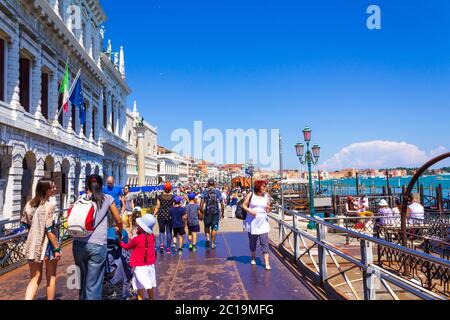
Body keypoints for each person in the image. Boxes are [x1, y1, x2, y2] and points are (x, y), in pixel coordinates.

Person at [72, 175, 123, 300]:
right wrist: (120, 233)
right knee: (93, 285)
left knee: (82, 282)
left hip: (78, 244)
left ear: (87, 186)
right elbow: (118, 220)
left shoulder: (81, 199)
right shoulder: (107, 198)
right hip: (97, 245)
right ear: (101, 186)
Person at [22, 179, 61, 300]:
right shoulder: (49, 206)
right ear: (46, 190)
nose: (54, 189)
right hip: (48, 246)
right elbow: (49, 230)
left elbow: (26, 224)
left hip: (33, 244)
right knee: (51, 277)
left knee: (35, 277)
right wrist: (57, 248)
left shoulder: (29, 204)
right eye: (52, 187)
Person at [119, 214, 157, 300]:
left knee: (140, 288)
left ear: (141, 227)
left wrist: (120, 241)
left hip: (139, 266)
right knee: (149, 285)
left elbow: (127, 247)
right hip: (150, 265)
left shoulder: (137, 239)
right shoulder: (151, 237)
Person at [242, 180, 272, 271]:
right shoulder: (251, 195)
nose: (265, 188)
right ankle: (253, 258)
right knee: (253, 241)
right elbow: (244, 205)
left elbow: (267, 208)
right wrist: (250, 211)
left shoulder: (266, 196)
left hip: (263, 221)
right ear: (258, 187)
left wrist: (268, 208)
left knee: (264, 242)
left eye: (265, 186)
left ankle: (267, 262)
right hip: (252, 222)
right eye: (264, 186)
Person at [200, 179, 224, 249]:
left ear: (208, 183)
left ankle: (207, 239)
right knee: (214, 228)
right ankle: (213, 243)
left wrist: (201, 212)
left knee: (206, 226)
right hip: (215, 213)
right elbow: (222, 203)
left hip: (207, 212)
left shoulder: (205, 191)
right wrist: (222, 212)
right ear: (214, 184)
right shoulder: (218, 191)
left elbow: (201, 203)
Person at [154, 182, 175, 254]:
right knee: (169, 231)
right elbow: (175, 206)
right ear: (170, 189)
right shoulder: (173, 197)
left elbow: (157, 206)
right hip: (170, 215)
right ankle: (168, 248)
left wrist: (153, 214)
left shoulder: (160, 197)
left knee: (161, 231)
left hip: (161, 215)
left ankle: (161, 245)